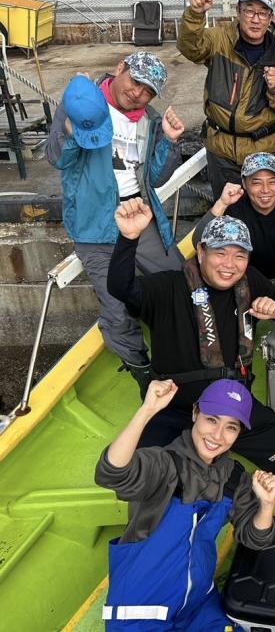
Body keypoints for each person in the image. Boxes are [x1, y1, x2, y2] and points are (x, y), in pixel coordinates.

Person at [108, 199, 275, 475]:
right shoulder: (166, 287)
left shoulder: (249, 281)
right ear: (201, 252)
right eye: (220, 253)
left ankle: (211, 457)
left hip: (232, 406)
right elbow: (121, 288)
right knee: (143, 473)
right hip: (175, 407)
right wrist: (129, 238)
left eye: (240, 256)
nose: (230, 264)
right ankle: (207, 462)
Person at [47, 54, 186, 396]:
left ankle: (185, 352)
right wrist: (73, 129)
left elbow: (155, 178)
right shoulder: (83, 103)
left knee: (179, 282)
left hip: (140, 212)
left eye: (148, 91)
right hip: (96, 228)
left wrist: (169, 141)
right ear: (120, 68)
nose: (138, 93)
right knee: (117, 309)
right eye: (135, 81)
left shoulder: (149, 120)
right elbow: (56, 157)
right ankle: (144, 375)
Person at [96, 378, 275, 630]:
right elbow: (111, 474)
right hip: (140, 610)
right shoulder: (163, 464)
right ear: (195, 413)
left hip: (199, 605)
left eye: (231, 427)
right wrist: (147, 410)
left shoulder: (234, 478)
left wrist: (266, 504)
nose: (217, 435)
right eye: (211, 419)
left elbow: (255, 539)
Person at [177, 0, 275, 198]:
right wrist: (195, 15)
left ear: (270, 18)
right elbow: (191, 49)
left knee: (269, 208)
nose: (256, 19)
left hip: (262, 151)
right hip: (221, 151)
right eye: (250, 11)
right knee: (228, 209)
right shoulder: (219, 40)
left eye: (262, 13)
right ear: (238, 11)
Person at [195, 153, 275, 331]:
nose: (265, 190)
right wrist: (221, 203)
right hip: (243, 277)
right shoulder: (233, 210)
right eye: (256, 183)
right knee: (234, 321)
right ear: (244, 183)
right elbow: (199, 242)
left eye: (272, 182)